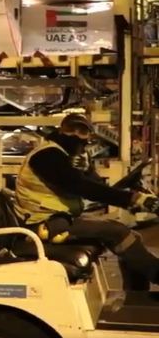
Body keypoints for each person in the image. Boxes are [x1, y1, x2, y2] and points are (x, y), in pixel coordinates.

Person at [14, 113, 159, 290]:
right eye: (73, 131)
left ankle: (137, 295)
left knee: (131, 236)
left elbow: (95, 186)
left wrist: (88, 170)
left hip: (59, 220)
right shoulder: (47, 155)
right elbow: (80, 187)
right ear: (62, 131)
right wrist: (133, 198)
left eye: (82, 133)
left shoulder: (61, 155)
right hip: (45, 224)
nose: (77, 137)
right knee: (117, 232)